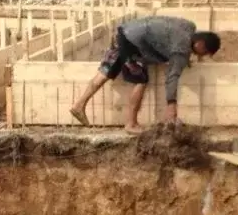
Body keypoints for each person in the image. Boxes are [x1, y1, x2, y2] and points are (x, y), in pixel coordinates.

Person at [69, 16, 221, 130]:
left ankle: (79, 105)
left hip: (124, 32)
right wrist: (171, 105)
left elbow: (170, 38)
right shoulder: (181, 49)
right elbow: (172, 76)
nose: (203, 55)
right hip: (135, 45)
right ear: (200, 43)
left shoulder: (189, 26)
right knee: (140, 79)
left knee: (106, 71)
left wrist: (185, 58)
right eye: (205, 51)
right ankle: (131, 124)